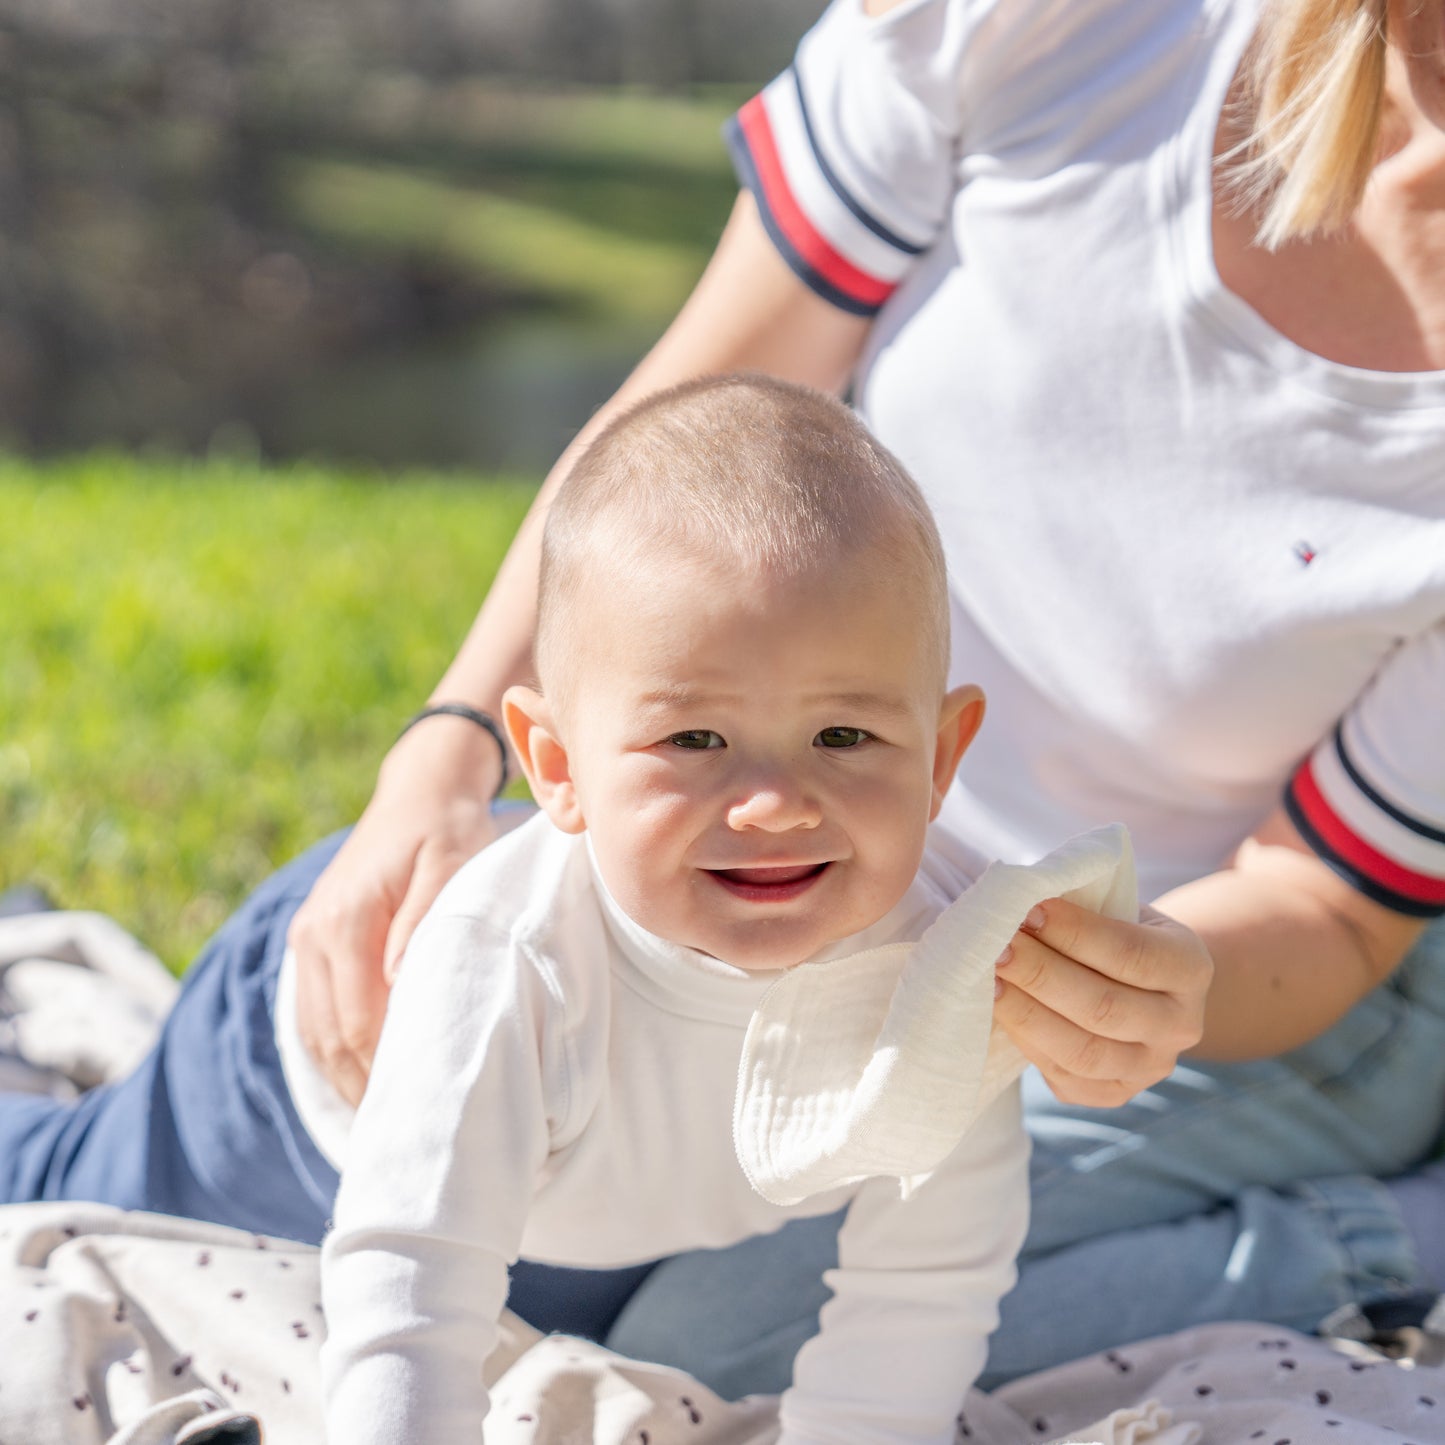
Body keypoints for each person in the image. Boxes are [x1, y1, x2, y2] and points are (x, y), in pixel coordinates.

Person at [278, 0, 1445, 1390]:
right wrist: (450, 746)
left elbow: (1329, 902)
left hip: (1243, 979)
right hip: (839, 880)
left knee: (710, 1363)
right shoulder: (1069, 27)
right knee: (398, 1153)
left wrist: (1146, 982)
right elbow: (685, 425)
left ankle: (1375, 1237)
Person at [320, 373, 1048, 1443]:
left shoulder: (948, 960)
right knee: (58, 1180)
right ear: (555, 766)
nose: (772, 805)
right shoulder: (509, 960)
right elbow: (410, 1285)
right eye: (694, 740)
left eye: (843, 737)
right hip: (324, 1097)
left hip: (613, 1213)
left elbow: (927, 1277)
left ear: (939, 759)